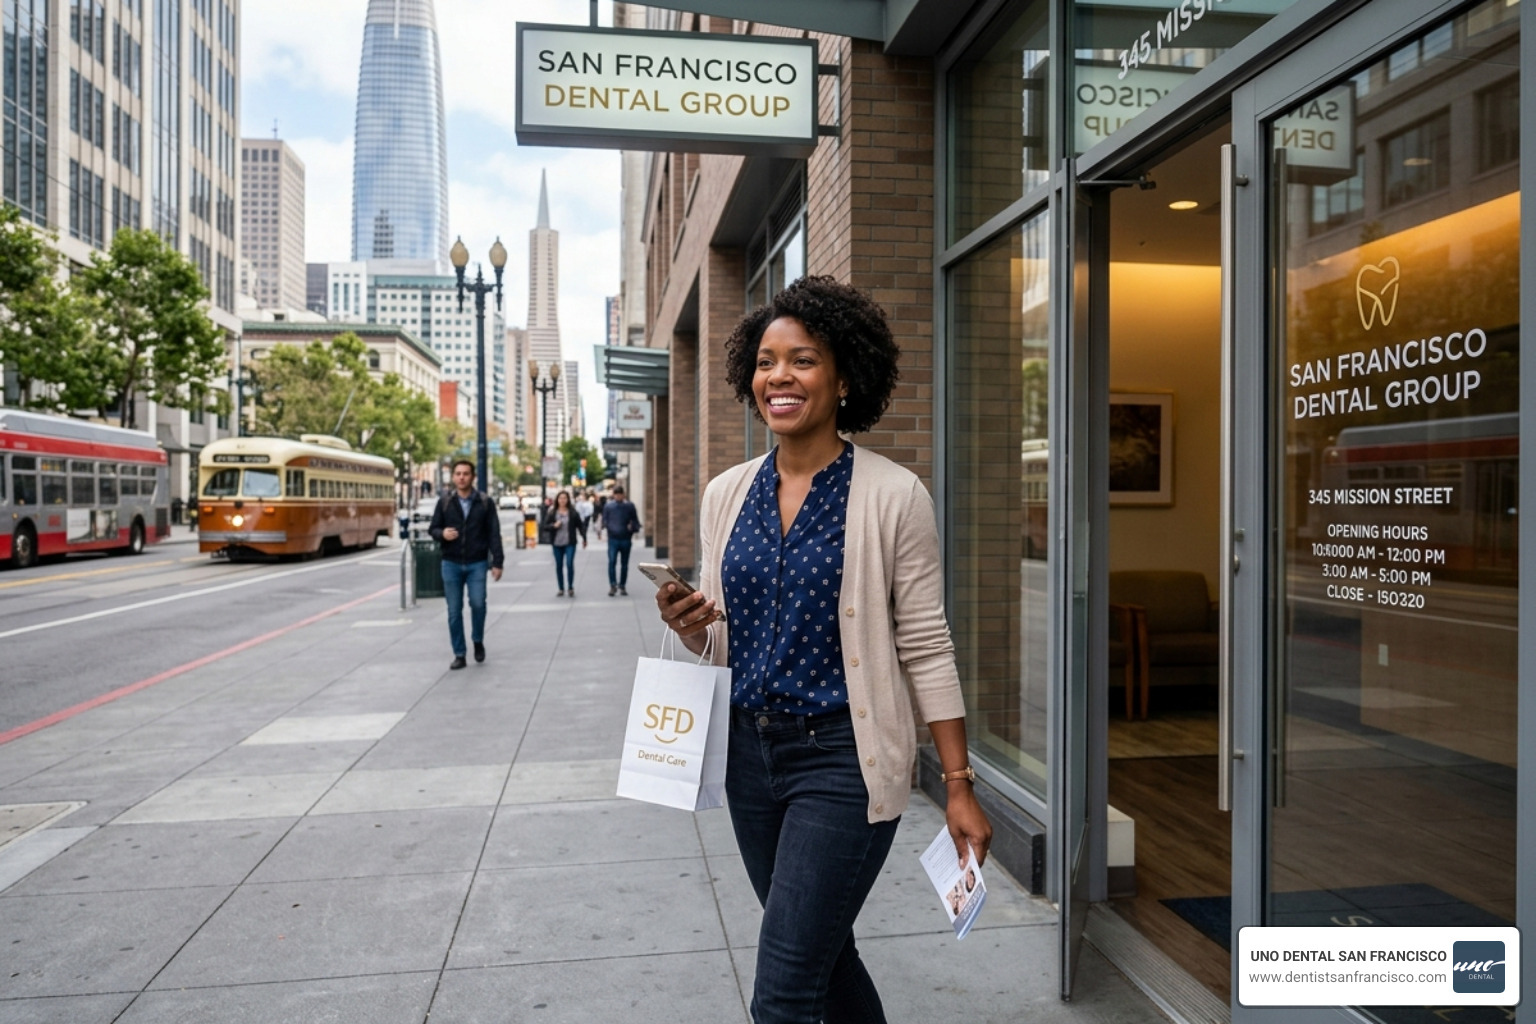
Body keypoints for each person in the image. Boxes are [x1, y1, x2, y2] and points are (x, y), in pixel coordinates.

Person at [655, 276, 991, 1024]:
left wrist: (960, 783)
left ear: (843, 380)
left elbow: (927, 644)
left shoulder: (893, 495)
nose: (780, 376)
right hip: (750, 759)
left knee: (782, 994)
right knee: (823, 957)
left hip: (843, 762)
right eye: (767, 360)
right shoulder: (725, 494)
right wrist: (689, 625)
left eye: (803, 360)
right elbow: (720, 635)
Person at [428, 459, 504, 670]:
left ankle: (477, 640)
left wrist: (497, 562)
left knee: (478, 603)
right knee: (454, 610)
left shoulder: (485, 502)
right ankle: (459, 653)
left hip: (477, 563)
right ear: (453, 477)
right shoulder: (444, 502)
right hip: (450, 563)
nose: (462, 477)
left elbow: (493, 534)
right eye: (458, 474)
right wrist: (441, 533)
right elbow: (433, 529)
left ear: (473, 477)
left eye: (466, 474)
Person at [541, 489, 586, 597]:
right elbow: (544, 526)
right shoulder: (552, 513)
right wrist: (553, 526)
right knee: (559, 565)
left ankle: (570, 587)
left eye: (565, 498)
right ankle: (561, 588)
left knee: (570, 564)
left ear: (568, 500)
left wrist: (584, 538)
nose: (562, 500)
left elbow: (580, 526)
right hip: (556, 543)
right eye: (560, 498)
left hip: (570, 542)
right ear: (557, 500)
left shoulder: (573, 512)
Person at [601, 485, 641, 596]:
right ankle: (613, 585)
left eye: (620, 494)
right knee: (612, 562)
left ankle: (622, 585)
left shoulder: (629, 506)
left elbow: (635, 521)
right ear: (614, 495)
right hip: (613, 539)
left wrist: (632, 527)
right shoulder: (609, 506)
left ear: (623, 494)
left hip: (625, 538)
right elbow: (604, 520)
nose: (618, 496)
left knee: (624, 564)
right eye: (616, 494)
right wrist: (606, 528)